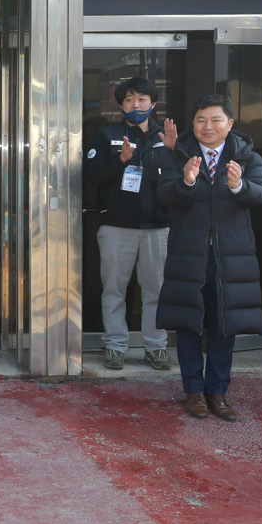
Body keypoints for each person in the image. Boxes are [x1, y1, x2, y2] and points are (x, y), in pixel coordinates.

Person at [155, 96, 262, 420]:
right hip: (189, 253)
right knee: (188, 322)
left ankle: (217, 392)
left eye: (216, 119)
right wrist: (186, 182)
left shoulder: (247, 156)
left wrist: (239, 186)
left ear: (230, 124)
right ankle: (193, 390)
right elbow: (164, 194)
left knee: (225, 324)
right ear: (193, 124)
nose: (208, 126)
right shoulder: (179, 154)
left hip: (232, 256)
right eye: (201, 120)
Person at [83, 76, 179, 371]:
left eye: (142, 99)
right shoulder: (106, 135)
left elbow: (183, 179)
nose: (136, 105)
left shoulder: (167, 136)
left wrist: (176, 151)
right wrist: (120, 160)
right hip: (116, 226)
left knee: (156, 290)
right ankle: (115, 345)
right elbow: (91, 173)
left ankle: (156, 346)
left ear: (153, 103)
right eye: (129, 100)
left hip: (158, 227)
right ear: (121, 105)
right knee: (114, 289)